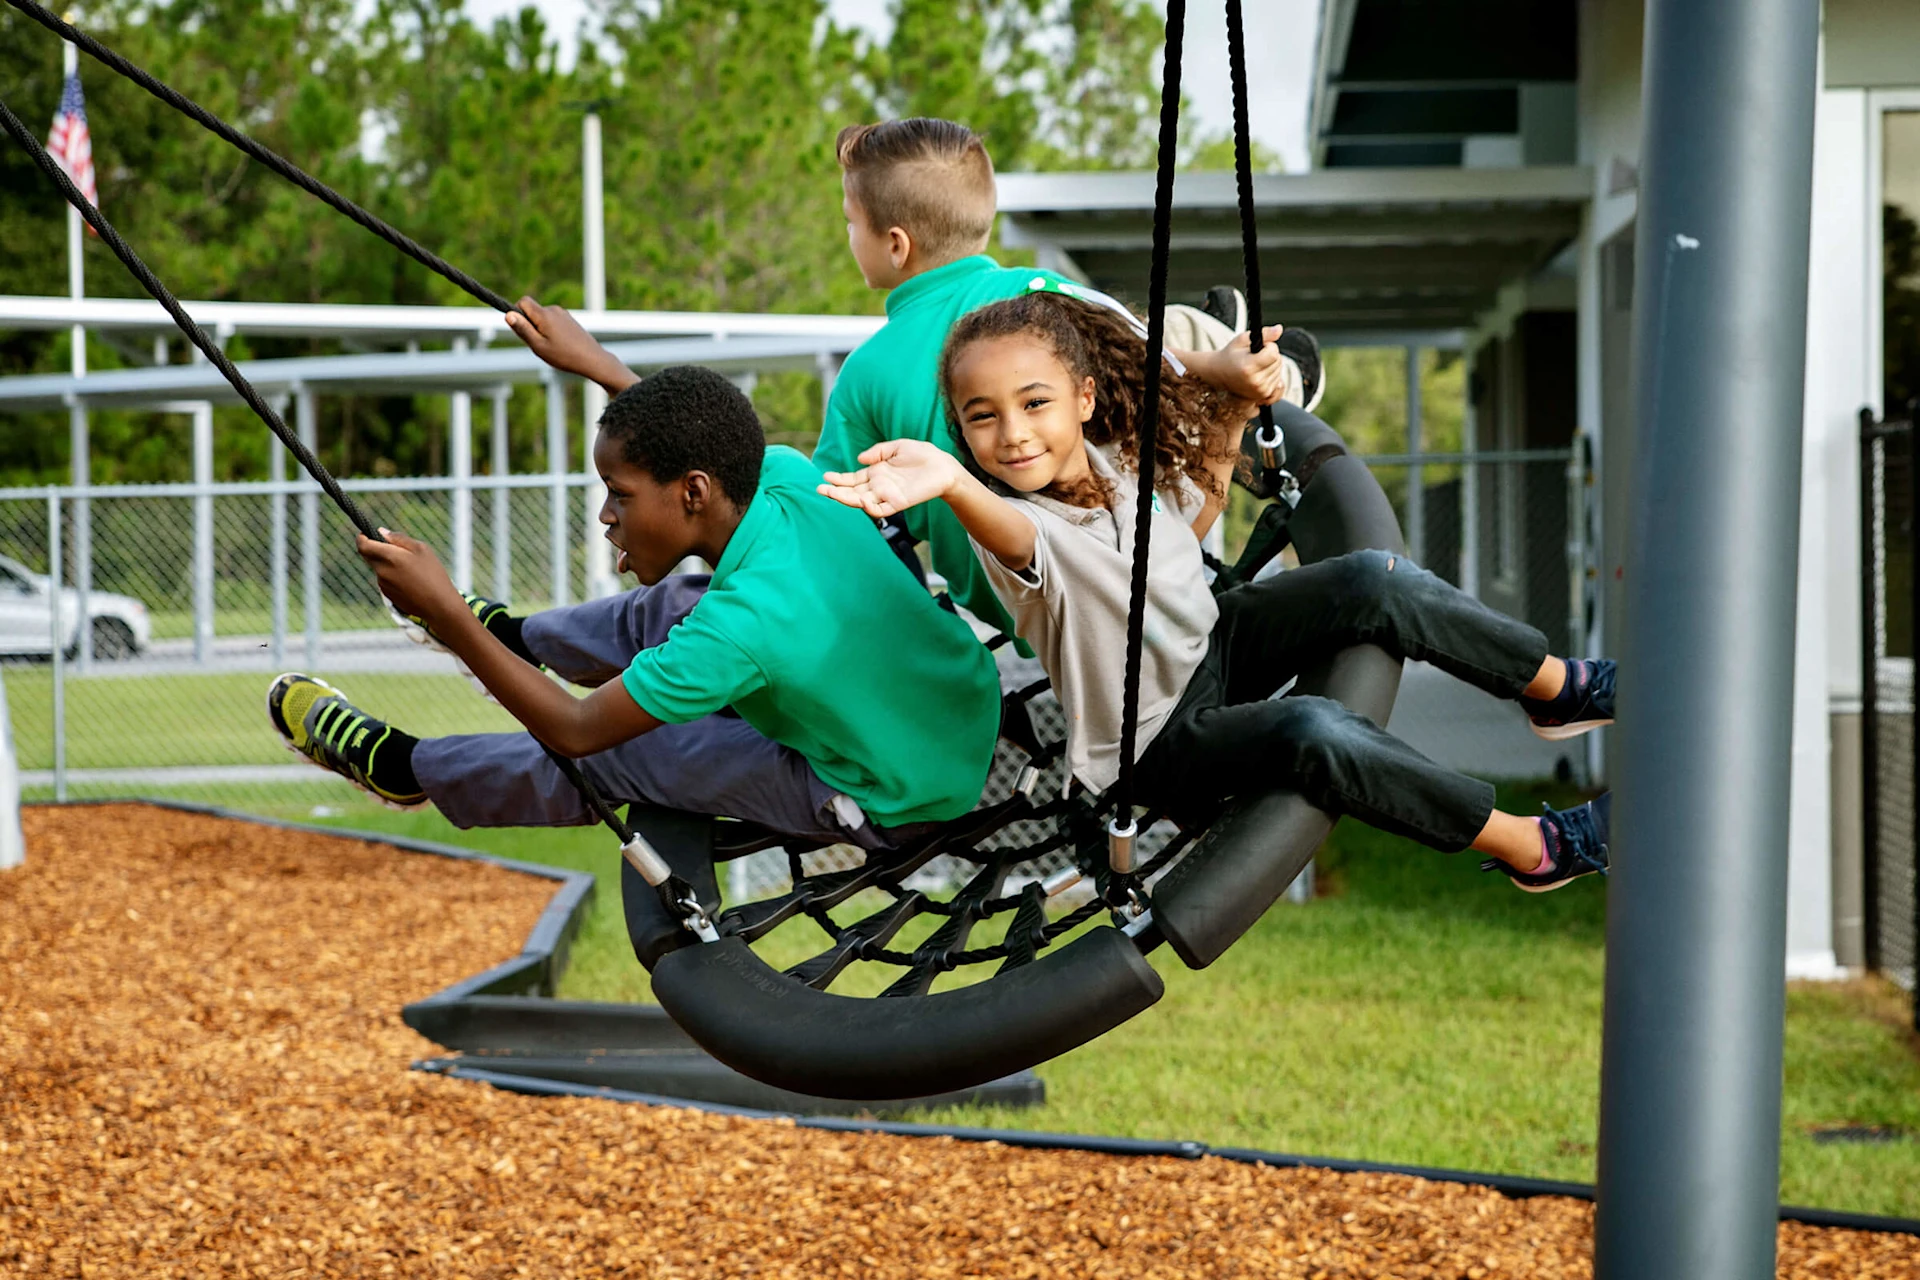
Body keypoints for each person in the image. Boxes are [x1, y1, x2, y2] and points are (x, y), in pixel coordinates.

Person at [819, 291, 1616, 891]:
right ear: (961, 431)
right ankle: (1534, 847)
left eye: (1034, 404)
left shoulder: (1111, 458)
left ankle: (1555, 690)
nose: (1014, 432)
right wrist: (952, 481)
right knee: (1317, 729)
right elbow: (1006, 527)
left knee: (1371, 580)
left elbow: (1191, 505)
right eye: (981, 418)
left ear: (1083, 400)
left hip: (1217, 637)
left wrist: (1230, 390)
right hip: (1160, 742)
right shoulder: (1016, 529)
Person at [266, 365, 1001, 851]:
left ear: (692, 493)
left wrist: (447, 619)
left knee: (632, 748)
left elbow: (578, 730)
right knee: (678, 598)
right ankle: (515, 638)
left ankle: (410, 768)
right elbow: (708, 438)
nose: (605, 516)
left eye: (618, 495)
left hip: (895, 795)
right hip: (954, 703)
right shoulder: (777, 473)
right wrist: (597, 366)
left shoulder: (743, 625)